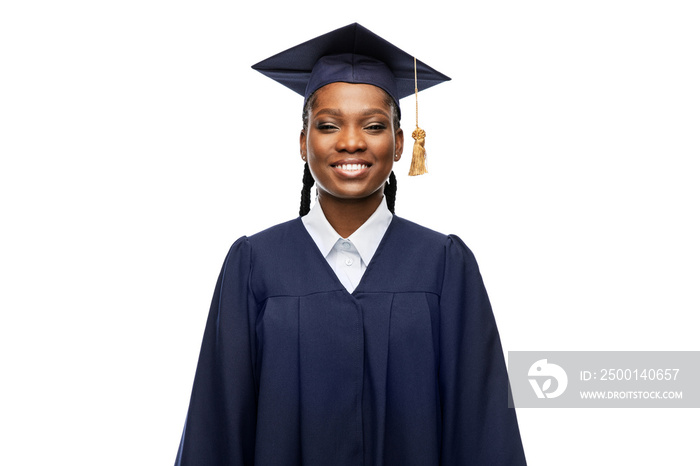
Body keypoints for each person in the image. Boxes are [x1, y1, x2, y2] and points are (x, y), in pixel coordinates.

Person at [175, 23, 527, 466]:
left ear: (400, 144)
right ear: (303, 143)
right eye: (328, 125)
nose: (351, 141)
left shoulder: (444, 266)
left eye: (374, 125)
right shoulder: (254, 265)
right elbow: (217, 426)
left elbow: (482, 427)